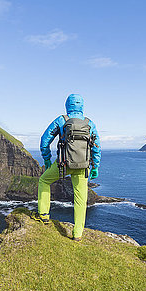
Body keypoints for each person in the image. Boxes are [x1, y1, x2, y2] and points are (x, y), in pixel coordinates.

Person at [34, 94, 101, 241]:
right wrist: (95, 167)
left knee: (44, 181)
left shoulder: (61, 120)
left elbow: (45, 141)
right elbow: (96, 148)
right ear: (82, 106)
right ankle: (77, 234)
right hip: (83, 166)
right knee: (80, 199)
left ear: (67, 105)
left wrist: (47, 160)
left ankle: (43, 215)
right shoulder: (90, 123)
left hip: (63, 164)